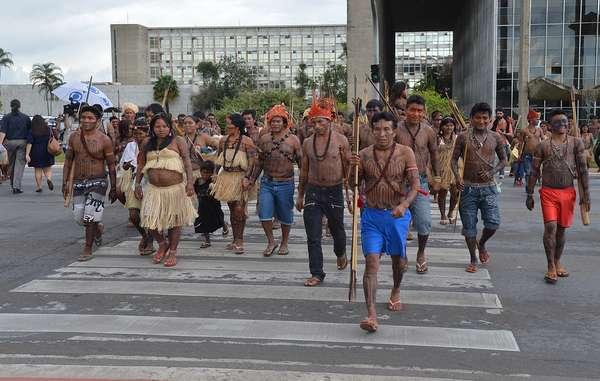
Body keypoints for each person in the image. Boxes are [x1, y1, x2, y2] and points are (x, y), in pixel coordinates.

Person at [348, 111, 420, 333]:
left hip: (396, 216)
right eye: (377, 129)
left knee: (399, 262)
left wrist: (404, 205)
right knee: (371, 263)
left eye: (387, 129)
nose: (382, 134)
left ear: (394, 131)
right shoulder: (363, 154)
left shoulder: (405, 153)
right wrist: (352, 166)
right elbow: (352, 184)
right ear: (371, 130)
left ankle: (396, 289)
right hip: (371, 216)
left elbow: (415, 186)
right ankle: (371, 315)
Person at [526, 109, 590, 284]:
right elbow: (533, 172)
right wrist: (529, 193)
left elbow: (583, 170)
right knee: (551, 228)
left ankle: (557, 260)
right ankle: (550, 266)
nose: (563, 124)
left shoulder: (576, 143)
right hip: (548, 193)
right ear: (550, 125)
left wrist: (587, 195)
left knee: (561, 230)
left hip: (568, 192)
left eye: (565, 121)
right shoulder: (543, 146)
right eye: (558, 122)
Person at [296, 97, 350, 287]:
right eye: (314, 122)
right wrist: (300, 195)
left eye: (321, 121)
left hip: (334, 190)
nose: (317, 125)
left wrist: (351, 187)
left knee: (338, 231)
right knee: (313, 236)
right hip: (313, 190)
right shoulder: (307, 143)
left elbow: (348, 166)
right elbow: (303, 170)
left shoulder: (341, 141)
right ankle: (317, 273)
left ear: (330, 121)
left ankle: (340, 252)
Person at [134, 114, 197, 267]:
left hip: (175, 189)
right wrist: (136, 184)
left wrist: (190, 183)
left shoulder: (178, 141)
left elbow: (187, 163)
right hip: (154, 189)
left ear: (170, 127)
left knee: (175, 222)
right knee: (149, 219)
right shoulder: (147, 142)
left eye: (164, 126)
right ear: (152, 128)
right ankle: (162, 244)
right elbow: (141, 165)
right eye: (157, 126)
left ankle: (173, 251)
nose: (161, 129)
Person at [451, 103, 507, 273]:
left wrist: (493, 172)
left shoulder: (496, 137)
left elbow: (504, 160)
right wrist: (458, 177)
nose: (481, 121)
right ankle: (473, 258)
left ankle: (481, 243)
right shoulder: (462, 137)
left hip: (488, 187)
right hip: (467, 188)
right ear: (471, 119)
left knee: (493, 223)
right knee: (469, 228)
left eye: (485, 118)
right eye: (478, 117)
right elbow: (453, 160)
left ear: (490, 120)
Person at [62, 105, 117, 261]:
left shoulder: (104, 140)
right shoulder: (74, 137)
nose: (86, 121)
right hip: (79, 182)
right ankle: (97, 229)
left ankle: (88, 247)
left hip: (98, 181)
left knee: (90, 216)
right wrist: (65, 182)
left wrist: (114, 187)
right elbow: (68, 161)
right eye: (84, 117)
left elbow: (112, 165)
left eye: (90, 118)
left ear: (97, 121)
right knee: (80, 217)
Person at [248, 104, 302, 257]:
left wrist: (302, 188)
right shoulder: (264, 139)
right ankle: (271, 241)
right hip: (267, 182)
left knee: (285, 215)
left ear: (284, 123)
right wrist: (252, 178)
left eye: (278, 121)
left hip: (286, 183)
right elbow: (259, 162)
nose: (275, 124)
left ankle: (284, 242)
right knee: (264, 214)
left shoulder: (293, 140)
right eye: (272, 121)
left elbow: (302, 164)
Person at [394, 95, 440, 274]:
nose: (416, 114)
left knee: (424, 222)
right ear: (406, 111)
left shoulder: (428, 131)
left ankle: (421, 252)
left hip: (420, 182)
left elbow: (434, 154)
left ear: (424, 112)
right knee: (398, 224)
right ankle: (402, 254)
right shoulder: (396, 130)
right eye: (412, 110)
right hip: (398, 183)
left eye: (420, 111)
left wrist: (437, 178)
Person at [211, 113, 258, 254]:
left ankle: (240, 240)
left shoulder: (247, 141)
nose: (227, 126)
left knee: (239, 209)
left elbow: (252, 162)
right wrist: (215, 172)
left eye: (229, 123)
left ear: (237, 126)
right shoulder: (223, 140)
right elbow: (219, 157)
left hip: (240, 177)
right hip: (226, 176)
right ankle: (235, 238)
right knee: (232, 209)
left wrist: (248, 178)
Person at [118, 118, 154, 255]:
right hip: (134, 181)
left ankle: (150, 241)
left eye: (141, 134)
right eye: (136, 134)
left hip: (150, 182)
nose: (138, 137)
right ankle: (144, 235)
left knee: (149, 214)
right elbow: (124, 164)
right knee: (133, 214)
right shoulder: (131, 146)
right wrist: (127, 165)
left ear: (147, 133)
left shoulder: (153, 145)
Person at [0, 99, 31, 194]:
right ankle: (16, 186)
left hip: (9, 143)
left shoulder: (6, 117)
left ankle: (12, 183)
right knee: (19, 165)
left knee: (11, 164)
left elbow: (3, 132)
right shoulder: (26, 118)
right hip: (22, 142)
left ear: (11, 106)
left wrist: (0, 144)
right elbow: (30, 132)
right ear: (19, 106)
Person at [194, 160, 225, 248]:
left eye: (208, 173)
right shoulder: (197, 181)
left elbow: (218, 191)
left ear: (212, 173)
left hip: (213, 205)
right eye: (204, 172)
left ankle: (224, 225)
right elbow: (196, 190)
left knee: (218, 218)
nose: (205, 175)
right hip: (202, 206)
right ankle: (207, 241)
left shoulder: (213, 182)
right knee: (203, 222)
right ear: (200, 172)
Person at [437, 117, 459, 224]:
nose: (449, 128)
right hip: (442, 168)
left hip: (455, 168)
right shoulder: (438, 138)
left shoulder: (457, 138)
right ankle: (442, 214)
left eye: (451, 125)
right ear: (442, 127)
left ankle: (451, 211)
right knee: (443, 192)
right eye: (447, 125)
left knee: (455, 193)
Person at [25, 115, 56, 192]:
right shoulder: (48, 129)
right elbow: (52, 138)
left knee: (38, 170)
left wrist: (27, 154)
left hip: (36, 152)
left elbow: (29, 143)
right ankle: (49, 179)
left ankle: (39, 187)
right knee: (47, 169)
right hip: (47, 152)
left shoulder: (32, 130)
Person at [518, 109, 544, 186]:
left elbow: (544, 140)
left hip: (537, 155)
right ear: (531, 119)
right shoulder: (524, 130)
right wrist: (519, 154)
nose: (538, 121)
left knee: (537, 170)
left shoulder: (539, 130)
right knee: (528, 172)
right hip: (527, 155)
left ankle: (538, 181)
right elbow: (520, 143)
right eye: (537, 119)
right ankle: (529, 186)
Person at [491, 108, 513, 178]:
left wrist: (504, 133)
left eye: (500, 113)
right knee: (493, 159)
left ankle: (501, 173)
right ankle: (491, 173)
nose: (499, 115)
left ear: (503, 114)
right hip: (493, 143)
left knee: (503, 158)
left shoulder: (507, 122)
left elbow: (511, 134)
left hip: (503, 143)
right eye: (498, 113)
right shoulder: (493, 122)